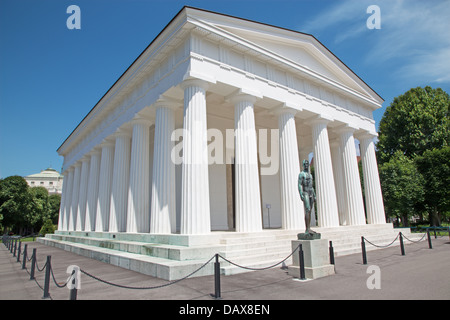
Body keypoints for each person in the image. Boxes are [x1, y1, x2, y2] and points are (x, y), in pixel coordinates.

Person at [298, 159, 316, 234]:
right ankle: (307, 229)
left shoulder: (310, 175)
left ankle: (309, 228)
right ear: (303, 165)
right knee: (307, 209)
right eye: (305, 164)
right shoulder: (301, 174)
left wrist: (314, 195)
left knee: (310, 210)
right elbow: (299, 184)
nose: (306, 165)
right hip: (305, 192)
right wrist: (301, 193)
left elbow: (311, 186)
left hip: (311, 192)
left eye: (307, 164)